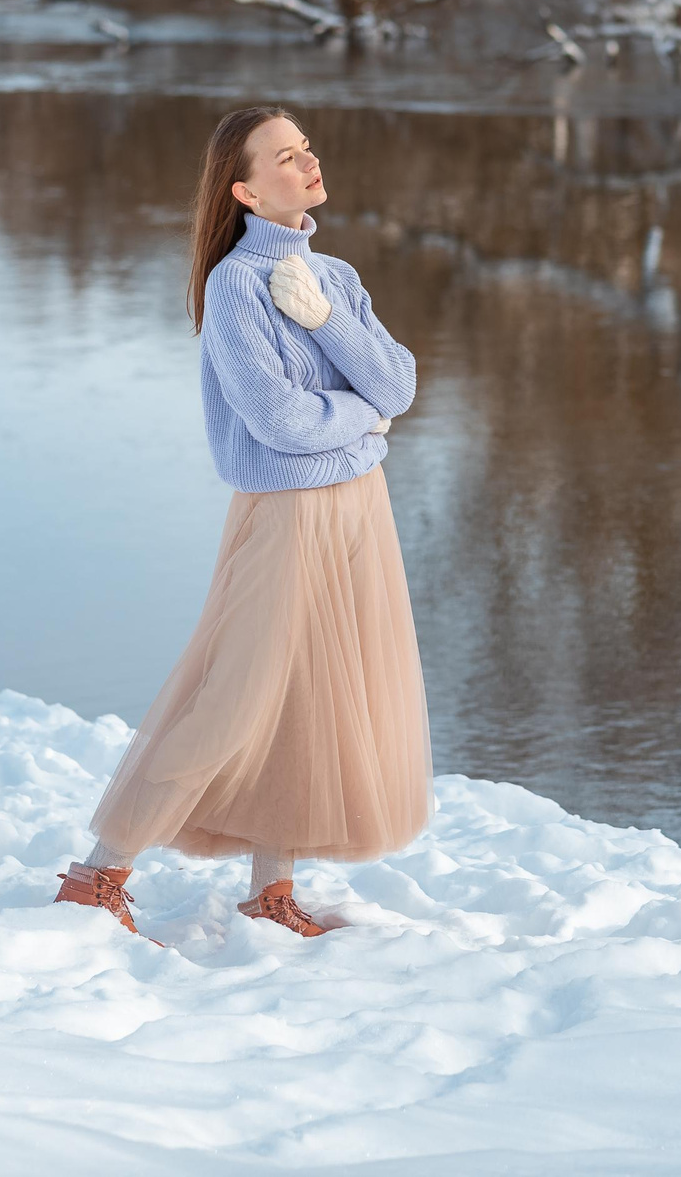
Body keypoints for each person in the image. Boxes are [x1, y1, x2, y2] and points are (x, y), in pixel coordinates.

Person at [54, 105, 432, 939]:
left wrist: (328, 324)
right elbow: (279, 423)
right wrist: (362, 422)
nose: (307, 162)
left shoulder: (333, 278)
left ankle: (272, 890)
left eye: (306, 148)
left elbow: (400, 387)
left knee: (311, 701)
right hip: (286, 515)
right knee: (232, 692)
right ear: (247, 190)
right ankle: (96, 873)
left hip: (358, 512)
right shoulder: (234, 287)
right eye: (285, 156)